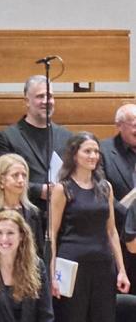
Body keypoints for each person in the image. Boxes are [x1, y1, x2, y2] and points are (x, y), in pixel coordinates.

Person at [47, 133, 128, 322]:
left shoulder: (105, 187)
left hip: (102, 266)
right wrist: (52, 274)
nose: (93, 156)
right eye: (87, 151)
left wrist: (121, 270)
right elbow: (52, 232)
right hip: (72, 267)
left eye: (96, 151)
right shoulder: (62, 188)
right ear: (75, 155)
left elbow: (112, 231)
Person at [0, 76, 74, 210]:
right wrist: (39, 190)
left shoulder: (66, 136)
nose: (46, 101)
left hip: (61, 214)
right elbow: (1, 177)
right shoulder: (8, 136)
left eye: (49, 96)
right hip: (25, 212)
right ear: (27, 101)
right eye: (40, 96)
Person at [0, 210, 52, 322]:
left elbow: (45, 315)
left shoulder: (37, 266)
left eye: (10, 233)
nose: (4, 239)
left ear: (21, 236)